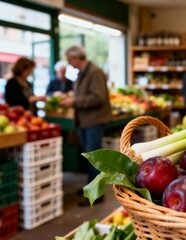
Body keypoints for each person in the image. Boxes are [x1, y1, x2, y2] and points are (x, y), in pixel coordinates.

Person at [60, 46, 112, 206]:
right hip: (85, 120)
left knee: (94, 159)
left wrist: (74, 101)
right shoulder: (83, 72)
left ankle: (97, 195)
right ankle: (91, 187)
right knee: (89, 157)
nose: (69, 63)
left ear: (77, 58)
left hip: (93, 120)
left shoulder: (94, 72)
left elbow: (98, 98)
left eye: (69, 60)